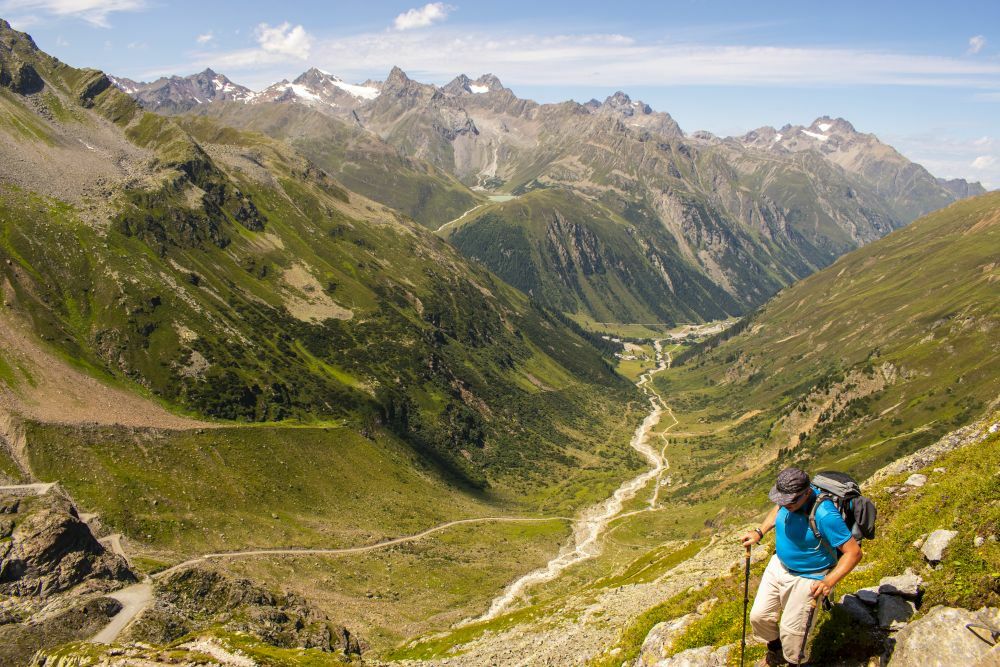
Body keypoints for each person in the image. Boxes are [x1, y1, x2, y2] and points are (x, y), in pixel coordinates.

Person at [741, 467, 863, 666]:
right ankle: (776, 650)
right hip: (779, 565)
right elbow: (778, 508)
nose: (785, 504)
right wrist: (759, 532)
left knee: (793, 633)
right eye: (782, 500)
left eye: (790, 501)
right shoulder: (788, 502)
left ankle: (794, 661)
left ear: (807, 492)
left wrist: (829, 580)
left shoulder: (824, 514)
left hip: (809, 577)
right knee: (759, 616)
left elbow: (854, 552)